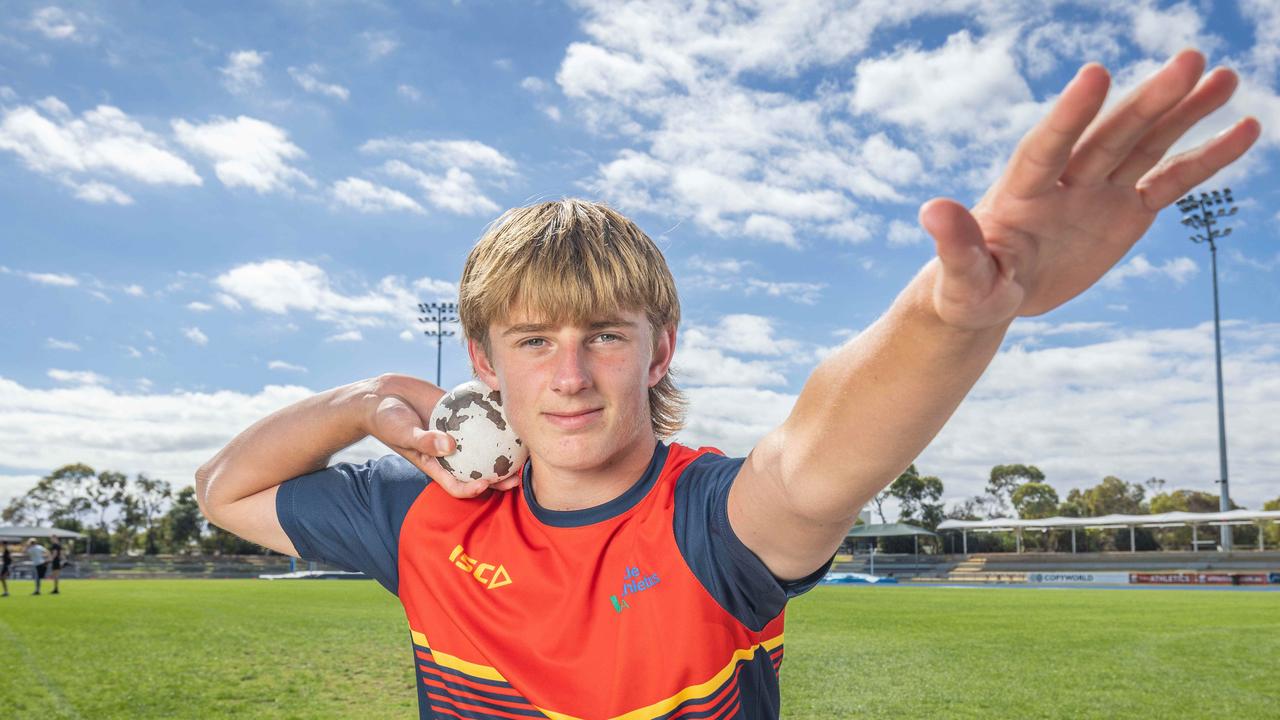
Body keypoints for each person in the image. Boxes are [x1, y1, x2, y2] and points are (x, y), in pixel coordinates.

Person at [196, 49, 1258, 719]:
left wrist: (948, 318)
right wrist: (357, 398)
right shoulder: (427, 521)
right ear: (482, 362)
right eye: (530, 343)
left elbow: (813, 458)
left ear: (659, 352)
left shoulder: (710, 521)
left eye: (605, 338)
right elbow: (226, 491)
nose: (568, 377)